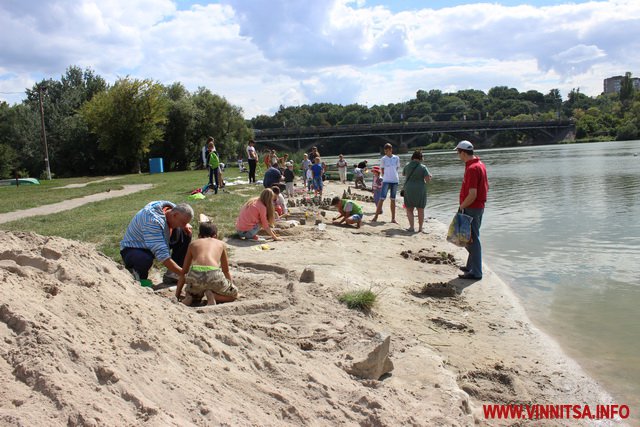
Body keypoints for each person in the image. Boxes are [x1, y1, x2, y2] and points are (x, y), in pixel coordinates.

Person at [120, 201, 194, 282]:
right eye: (183, 222)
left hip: (152, 241)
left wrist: (185, 225)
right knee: (144, 259)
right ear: (175, 215)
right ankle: (138, 278)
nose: (183, 225)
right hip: (134, 248)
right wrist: (184, 273)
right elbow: (162, 255)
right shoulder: (152, 221)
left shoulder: (171, 209)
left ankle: (173, 274)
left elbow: (181, 215)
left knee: (185, 233)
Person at [176, 222, 238, 306]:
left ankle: (189, 297)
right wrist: (230, 287)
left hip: (195, 273)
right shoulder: (220, 244)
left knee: (191, 290)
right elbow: (226, 270)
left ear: (199, 235)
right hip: (214, 274)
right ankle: (214, 296)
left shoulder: (193, 244)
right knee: (233, 296)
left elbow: (184, 272)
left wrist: (177, 295)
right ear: (215, 236)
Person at [455, 140, 489, 280]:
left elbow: (473, 193)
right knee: (470, 238)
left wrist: (462, 206)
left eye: (458, 152)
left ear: (463, 152)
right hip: (477, 207)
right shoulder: (479, 165)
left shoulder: (472, 169)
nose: (458, 155)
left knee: (472, 240)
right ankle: (470, 266)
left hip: (472, 207)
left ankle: (476, 272)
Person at [402, 150, 432, 233]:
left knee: (409, 209)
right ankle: (420, 228)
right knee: (420, 209)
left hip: (409, 188)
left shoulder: (407, 166)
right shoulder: (423, 167)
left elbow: (403, 174)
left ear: (412, 157)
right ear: (421, 158)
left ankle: (411, 227)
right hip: (420, 189)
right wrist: (430, 176)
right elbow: (427, 180)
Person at [372, 143, 400, 223]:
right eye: (386, 151)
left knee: (393, 199)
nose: (387, 152)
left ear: (391, 150)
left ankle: (393, 219)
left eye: (388, 150)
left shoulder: (396, 158)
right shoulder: (383, 159)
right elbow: (382, 171)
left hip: (395, 180)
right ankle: (376, 217)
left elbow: (397, 168)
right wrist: (387, 176)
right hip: (386, 180)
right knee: (382, 198)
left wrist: (392, 174)